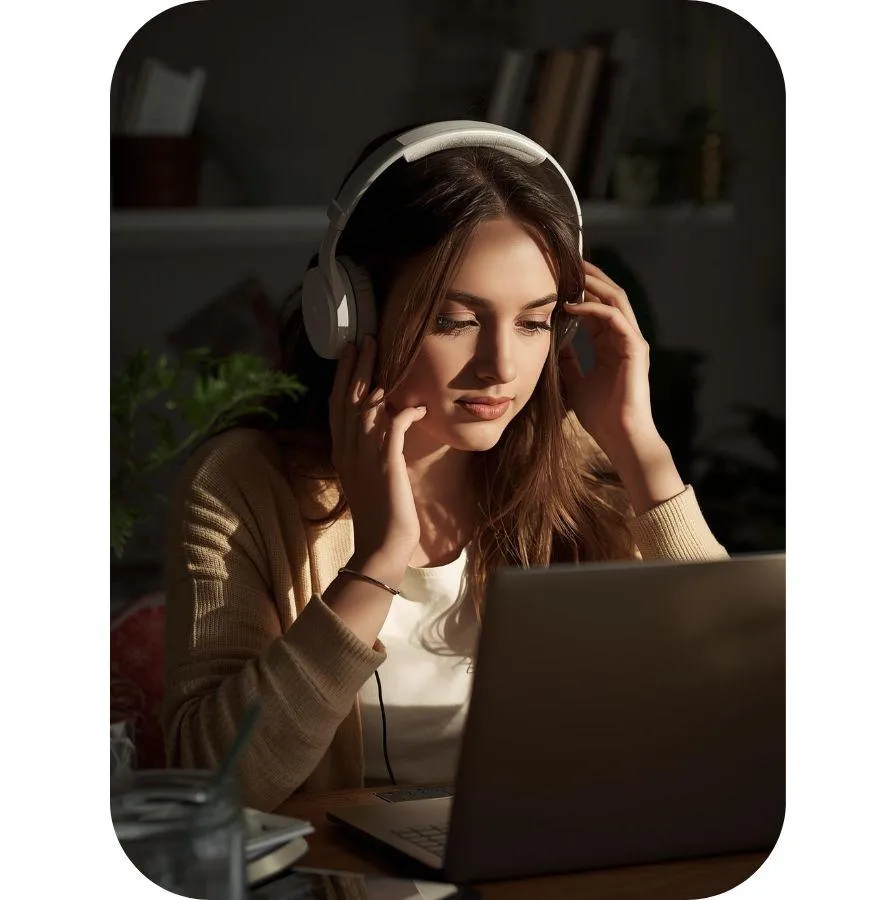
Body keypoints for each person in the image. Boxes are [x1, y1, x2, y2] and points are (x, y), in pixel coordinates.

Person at [161, 122, 727, 813]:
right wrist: (376, 562)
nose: (501, 367)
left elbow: (737, 697)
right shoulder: (244, 484)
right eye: (456, 321)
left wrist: (640, 447)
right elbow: (213, 783)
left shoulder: (574, 463)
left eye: (534, 323)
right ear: (349, 314)